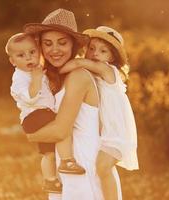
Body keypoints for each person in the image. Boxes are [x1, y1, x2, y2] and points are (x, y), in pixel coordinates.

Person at [23, 8, 122, 200]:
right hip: (68, 163)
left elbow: (60, 131)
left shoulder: (78, 76)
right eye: (48, 43)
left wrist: (30, 135)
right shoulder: (58, 77)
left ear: (74, 45)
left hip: (84, 164)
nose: (55, 50)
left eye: (62, 43)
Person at [60, 26, 139, 200]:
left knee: (103, 167)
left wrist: (53, 71)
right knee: (101, 169)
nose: (95, 53)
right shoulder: (93, 73)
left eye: (103, 51)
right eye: (92, 48)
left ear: (111, 57)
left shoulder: (108, 70)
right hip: (107, 132)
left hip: (117, 132)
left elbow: (79, 62)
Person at [5, 33, 85, 194]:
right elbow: (30, 97)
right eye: (21, 55)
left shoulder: (37, 70)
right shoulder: (20, 77)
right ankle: (67, 161)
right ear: (13, 61)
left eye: (32, 52)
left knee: (48, 153)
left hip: (38, 116)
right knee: (63, 125)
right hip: (35, 115)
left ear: (38, 52)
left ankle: (50, 181)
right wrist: (36, 79)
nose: (29, 58)